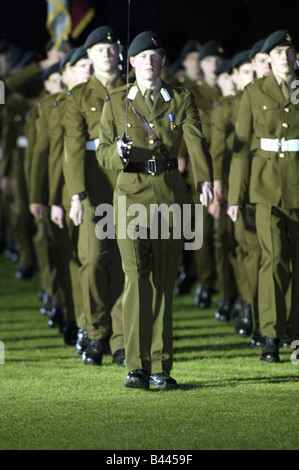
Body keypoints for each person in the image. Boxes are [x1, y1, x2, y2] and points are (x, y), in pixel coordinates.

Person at [97, 31, 213, 390]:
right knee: (135, 279)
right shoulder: (116, 101)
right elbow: (101, 151)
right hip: (130, 198)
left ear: (163, 60)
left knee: (163, 283)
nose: (148, 61)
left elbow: (195, 140)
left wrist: (206, 180)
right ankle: (136, 366)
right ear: (130, 62)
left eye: (154, 55)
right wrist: (117, 152)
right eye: (141, 56)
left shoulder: (180, 99)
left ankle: (160, 366)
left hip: (168, 196)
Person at [227, 30, 299, 362]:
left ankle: (292, 331)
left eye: (289, 50)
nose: (285, 56)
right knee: (273, 259)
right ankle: (270, 333)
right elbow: (240, 149)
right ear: (267, 58)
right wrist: (233, 196)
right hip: (265, 186)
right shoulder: (254, 92)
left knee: (295, 261)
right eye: (278, 52)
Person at [64, 26, 125, 367]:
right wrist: (76, 194)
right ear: (89, 56)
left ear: (119, 53)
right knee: (92, 261)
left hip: (130, 186)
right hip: (94, 188)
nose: (106, 53)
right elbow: (72, 149)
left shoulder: (134, 91)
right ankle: (95, 331)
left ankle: (120, 340)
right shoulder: (77, 96)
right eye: (99, 49)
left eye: (111, 47)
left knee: (124, 265)